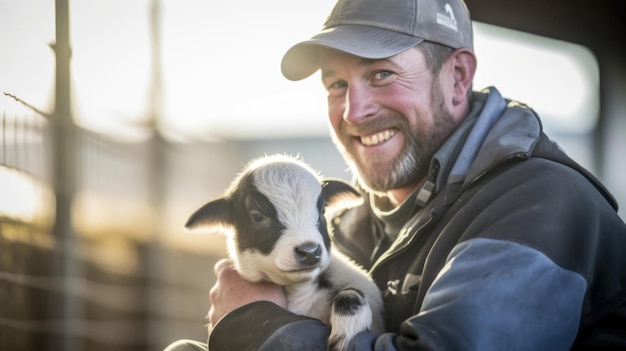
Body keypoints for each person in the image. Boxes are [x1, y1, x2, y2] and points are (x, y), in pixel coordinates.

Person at [165, 0, 626, 349]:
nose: (353, 111)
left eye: (382, 74)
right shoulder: (351, 225)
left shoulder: (540, 202)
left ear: (458, 76)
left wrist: (256, 326)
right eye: (336, 84)